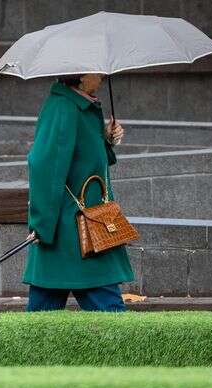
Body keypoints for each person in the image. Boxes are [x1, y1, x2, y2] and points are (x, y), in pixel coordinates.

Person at [23, 73, 134, 312]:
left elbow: (82, 160)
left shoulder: (78, 106)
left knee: (39, 325)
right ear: (81, 76)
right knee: (112, 319)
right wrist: (41, 224)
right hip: (75, 231)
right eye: (96, 71)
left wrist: (105, 140)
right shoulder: (64, 108)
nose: (103, 76)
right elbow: (44, 166)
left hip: (77, 228)